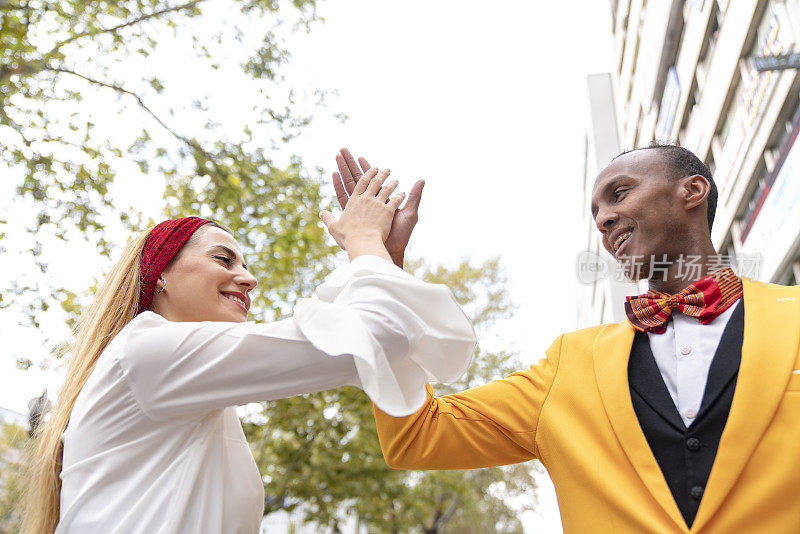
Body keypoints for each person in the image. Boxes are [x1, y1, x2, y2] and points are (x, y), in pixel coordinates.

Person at [334, 145, 800, 534]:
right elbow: (419, 435)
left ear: (693, 191)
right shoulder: (569, 363)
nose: (603, 220)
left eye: (619, 194)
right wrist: (383, 266)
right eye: (595, 212)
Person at [22, 167, 477, 534]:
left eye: (245, 264)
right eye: (224, 259)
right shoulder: (148, 354)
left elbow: (376, 348)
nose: (249, 278)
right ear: (157, 274)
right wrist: (364, 243)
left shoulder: (179, 385)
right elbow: (377, 336)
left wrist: (384, 261)